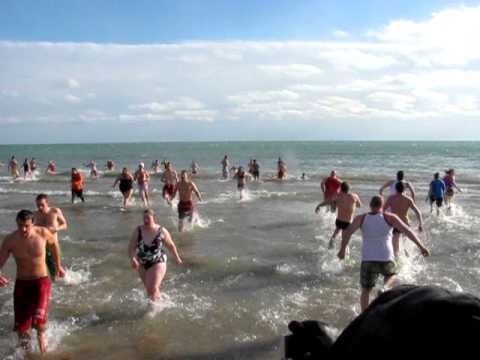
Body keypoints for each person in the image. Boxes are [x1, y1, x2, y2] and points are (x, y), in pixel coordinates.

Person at [338, 196, 429, 312]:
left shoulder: (361, 218)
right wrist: (421, 247)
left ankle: (364, 316)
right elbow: (408, 231)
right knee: (392, 276)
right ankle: (385, 288)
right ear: (382, 206)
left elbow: (347, 233)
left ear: (370, 205)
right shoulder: (389, 217)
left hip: (368, 258)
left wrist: (342, 250)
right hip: (386, 257)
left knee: (366, 290)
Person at [0, 210, 65, 353]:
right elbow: (1, 259)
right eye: (20, 225)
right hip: (22, 284)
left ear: (33, 224)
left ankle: (44, 353)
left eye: (26, 226)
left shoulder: (42, 233)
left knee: (39, 327)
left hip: (41, 282)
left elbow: (54, 245)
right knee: (21, 331)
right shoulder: (10, 240)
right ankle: (28, 355)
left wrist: (58, 265)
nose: (23, 229)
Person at [128, 209, 182, 302]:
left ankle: (152, 311)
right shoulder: (138, 230)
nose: (145, 220)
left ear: (154, 218)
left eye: (148, 218)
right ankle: (160, 303)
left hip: (158, 261)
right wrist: (133, 258)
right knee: (150, 290)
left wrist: (177, 258)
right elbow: (131, 247)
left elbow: (171, 245)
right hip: (142, 263)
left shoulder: (161, 231)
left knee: (152, 288)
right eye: (144, 218)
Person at [315, 182, 362, 249]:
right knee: (344, 241)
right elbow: (359, 205)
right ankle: (343, 253)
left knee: (336, 232)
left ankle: (331, 244)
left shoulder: (338, 197)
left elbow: (328, 201)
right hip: (348, 223)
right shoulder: (354, 196)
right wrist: (353, 205)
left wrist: (319, 205)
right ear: (349, 189)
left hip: (339, 221)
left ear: (341, 189)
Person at [384, 182, 423, 258]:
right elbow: (418, 212)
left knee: (396, 247)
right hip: (405, 223)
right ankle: (408, 259)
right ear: (404, 189)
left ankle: (397, 262)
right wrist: (420, 224)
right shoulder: (408, 199)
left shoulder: (391, 198)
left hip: (395, 224)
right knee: (405, 244)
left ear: (395, 189)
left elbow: (382, 211)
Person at [34, 194, 68, 281]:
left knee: (57, 267)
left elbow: (65, 225)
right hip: (41, 246)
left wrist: (56, 228)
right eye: (38, 205)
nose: (40, 207)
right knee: (53, 269)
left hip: (53, 245)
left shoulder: (55, 211)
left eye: (42, 205)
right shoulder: (35, 215)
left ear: (47, 203)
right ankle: (63, 282)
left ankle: (66, 281)